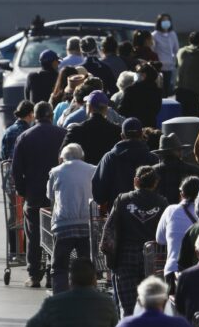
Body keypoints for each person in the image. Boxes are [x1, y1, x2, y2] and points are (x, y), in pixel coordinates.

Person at [11, 102, 67, 288]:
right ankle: (53, 271)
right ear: (51, 115)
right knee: (56, 232)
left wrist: (21, 190)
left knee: (34, 234)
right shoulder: (62, 134)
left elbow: (16, 169)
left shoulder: (24, 137)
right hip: (57, 194)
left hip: (34, 193)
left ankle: (34, 274)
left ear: (34, 116)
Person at [100, 166, 167, 316]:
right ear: (155, 183)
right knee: (151, 305)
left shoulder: (122, 199)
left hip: (125, 257)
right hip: (153, 258)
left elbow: (109, 228)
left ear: (136, 181)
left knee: (128, 307)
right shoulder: (162, 203)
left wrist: (107, 253)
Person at [46, 144, 96, 293]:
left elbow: (50, 195)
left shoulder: (56, 171)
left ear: (62, 158)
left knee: (60, 265)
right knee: (86, 262)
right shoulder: (93, 169)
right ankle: (86, 293)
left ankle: (60, 295)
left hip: (63, 224)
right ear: (82, 156)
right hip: (87, 223)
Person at [92, 117, 158, 208]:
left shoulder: (110, 157)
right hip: (148, 214)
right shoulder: (153, 158)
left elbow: (99, 192)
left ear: (122, 136)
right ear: (141, 134)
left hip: (118, 213)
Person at [156, 176, 199, 289]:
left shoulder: (171, 210)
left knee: (174, 305)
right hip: (198, 269)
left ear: (182, 194)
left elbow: (160, 239)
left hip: (173, 269)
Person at [60, 90, 122, 165]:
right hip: (107, 175)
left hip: (82, 175)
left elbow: (62, 156)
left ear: (89, 107)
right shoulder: (117, 131)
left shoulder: (76, 130)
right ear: (106, 109)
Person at [151, 133, 199, 204]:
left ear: (161, 153)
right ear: (179, 152)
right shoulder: (194, 170)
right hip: (185, 212)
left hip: (160, 212)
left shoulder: (152, 171)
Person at [118, 63, 163, 128]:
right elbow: (156, 109)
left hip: (133, 125)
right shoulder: (157, 91)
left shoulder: (131, 90)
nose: (136, 74)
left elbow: (122, 109)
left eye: (138, 72)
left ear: (144, 75)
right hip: (150, 125)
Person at [152, 14, 180, 97]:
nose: (166, 22)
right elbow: (152, 50)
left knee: (168, 89)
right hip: (159, 67)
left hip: (170, 66)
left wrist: (176, 61)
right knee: (160, 89)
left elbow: (176, 49)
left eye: (167, 20)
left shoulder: (172, 34)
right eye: (163, 20)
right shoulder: (155, 35)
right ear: (159, 22)